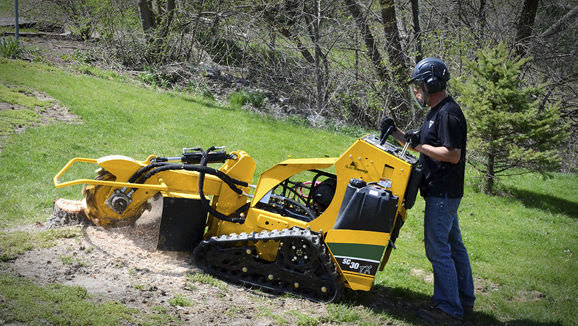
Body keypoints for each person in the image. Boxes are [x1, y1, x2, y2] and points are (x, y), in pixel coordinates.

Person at [382, 57, 475, 322]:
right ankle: (464, 299)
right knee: (454, 245)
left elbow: (452, 154)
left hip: (443, 193)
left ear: (432, 84)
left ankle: (448, 309)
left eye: (419, 86)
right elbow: (423, 143)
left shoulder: (449, 114)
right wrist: (397, 133)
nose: (416, 91)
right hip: (442, 192)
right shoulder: (436, 112)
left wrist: (420, 146)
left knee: (438, 249)